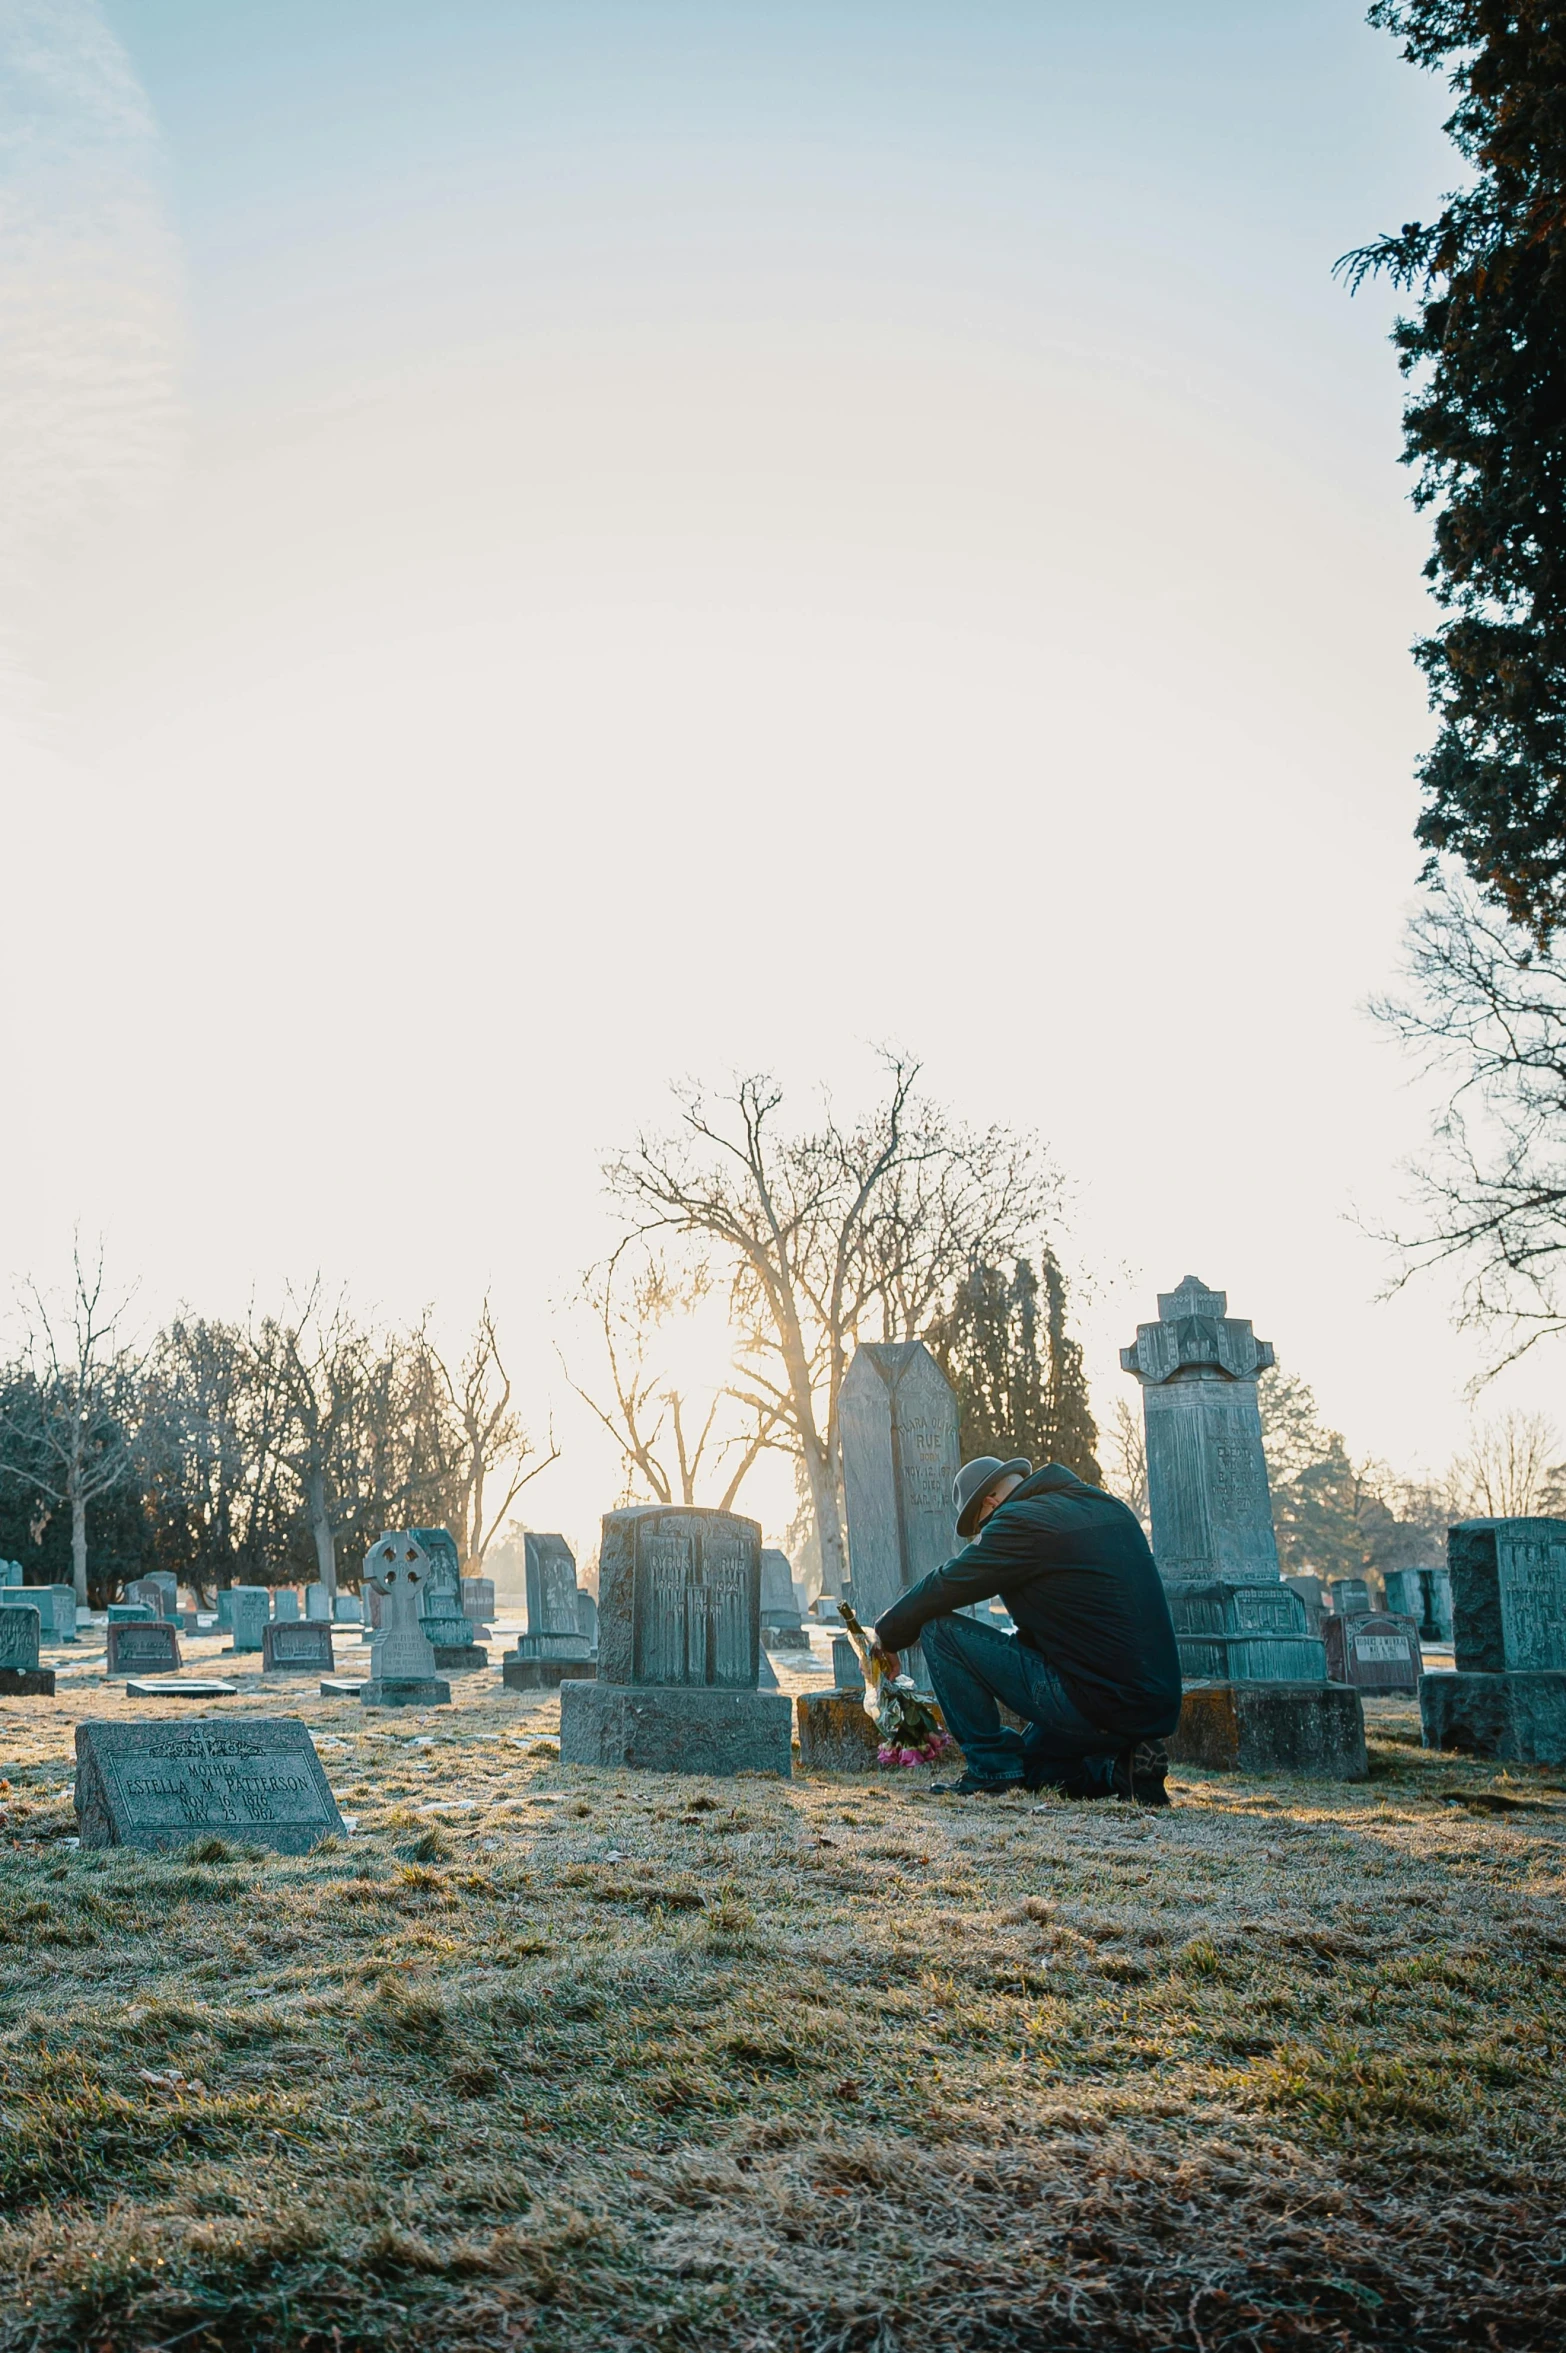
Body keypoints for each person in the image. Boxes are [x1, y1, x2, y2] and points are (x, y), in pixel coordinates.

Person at [871, 1454, 1180, 1804]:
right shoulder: (1106, 1505)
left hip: (1095, 1700)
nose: (986, 1537)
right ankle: (1124, 1770)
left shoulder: (1019, 1521)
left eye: (982, 1528)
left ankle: (989, 1771)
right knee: (1027, 1769)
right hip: (1151, 1706)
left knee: (939, 1631)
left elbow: (949, 1583)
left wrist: (888, 1632)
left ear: (990, 1502)